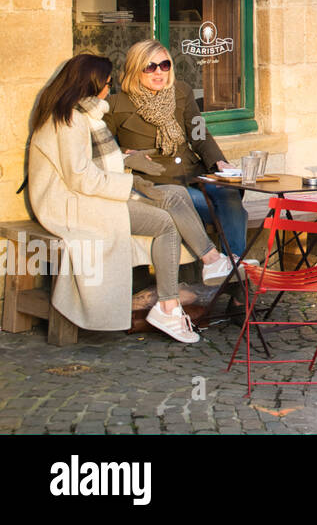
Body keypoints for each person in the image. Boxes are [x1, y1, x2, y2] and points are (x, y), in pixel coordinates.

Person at [28, 54, 235, 343]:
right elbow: (80, 178)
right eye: (106, 85)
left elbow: (90, 166)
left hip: (90, 194)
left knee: (174, 194)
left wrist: (130, 166)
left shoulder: (81, 114)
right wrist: (129, 183)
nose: (109, 91)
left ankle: (211, 259)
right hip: (70, 204)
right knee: (164, 223)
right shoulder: (71, 120)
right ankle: (168, 305)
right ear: (91, 86)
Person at [105, 40, 250, 262]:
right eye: (150, 67)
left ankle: (234, 267)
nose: (159, 72)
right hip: (157, 182)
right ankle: (229, 273)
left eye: (165, 65)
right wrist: (126, 154)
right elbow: (104, 149)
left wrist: (219, 162)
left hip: (193, 174)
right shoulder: (115, 105)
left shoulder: (181, 92)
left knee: (229, 196)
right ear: (135, 69)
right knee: (210, 206)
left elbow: (199, 133)